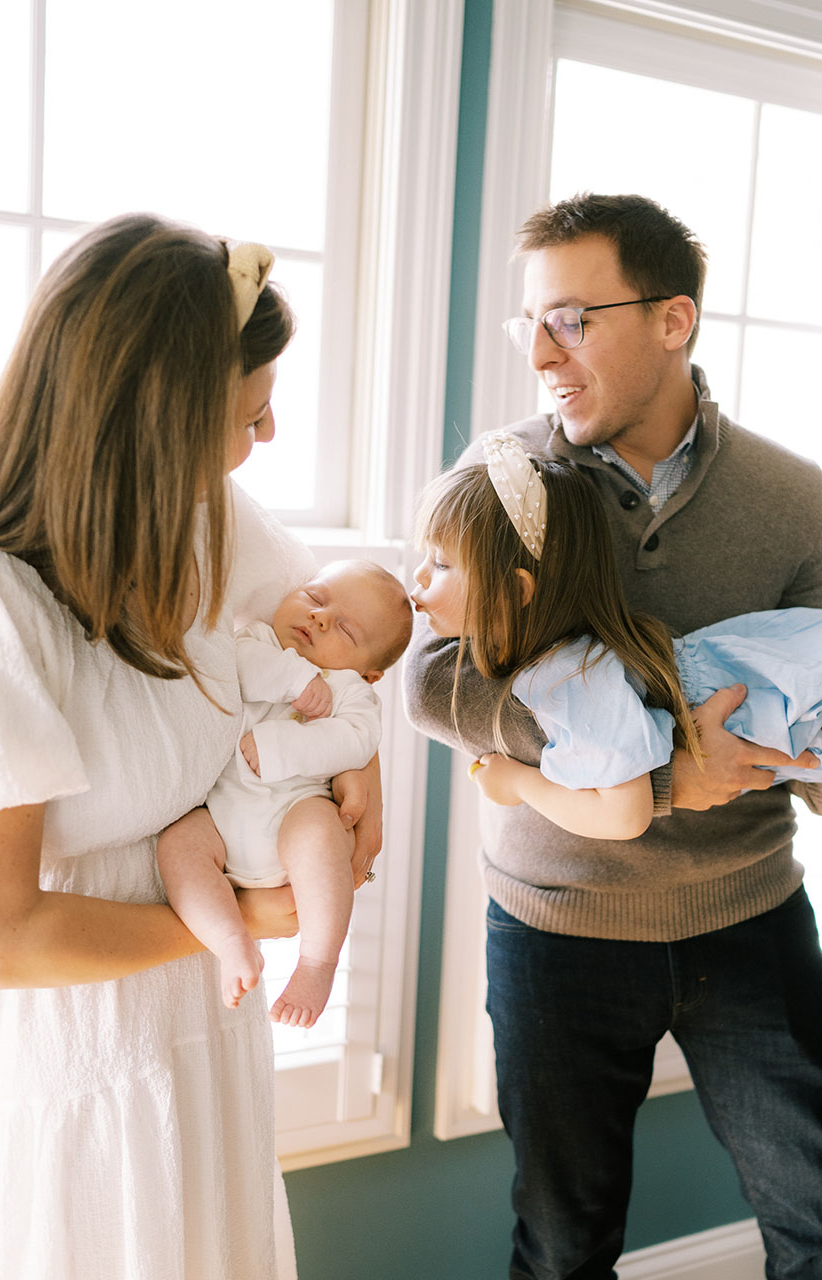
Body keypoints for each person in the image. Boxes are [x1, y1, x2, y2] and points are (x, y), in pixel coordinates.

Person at [402, 193, 822, 1278]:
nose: (540, 351)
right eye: (528, 323)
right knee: (562, 1245)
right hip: (555, 928)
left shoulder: (797, 502)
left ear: (674, 320)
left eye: (573, 319)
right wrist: (656, 766)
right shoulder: (501, 484)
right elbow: (434, 677)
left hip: (749, 920)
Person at [0, 213, 381, 1280]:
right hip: (79, 1057)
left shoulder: (211, 522)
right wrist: (238, 919)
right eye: (251, 413)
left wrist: (355, 768)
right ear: (157, 423)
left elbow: (333, 645)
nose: (272, 435)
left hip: (206, 1033)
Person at [412, 430, 821, 843]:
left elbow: (625, 816)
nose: (419, 575)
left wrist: (517, 782)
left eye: (442, 563)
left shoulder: (568, 679)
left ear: (517, 591)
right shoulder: (570, 667)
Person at [158, 558, 412, 1025]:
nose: (319, 617)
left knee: (320, 831)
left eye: (346, 630)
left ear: (370, 672)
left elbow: (357, 740)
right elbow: (237, 669)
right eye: (315, 598)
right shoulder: (256, 641)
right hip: (220, 815)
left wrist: (281, 747)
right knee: (177, 845)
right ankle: (233, 942)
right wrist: (296, 678)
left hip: (294, 811)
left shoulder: (353, 692)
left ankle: (317, 961)